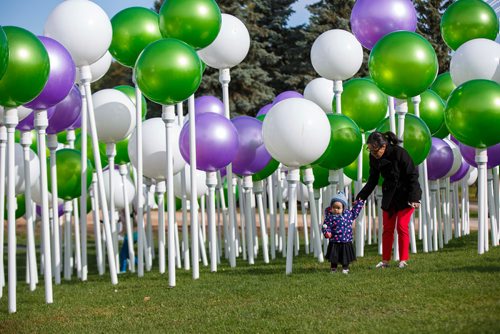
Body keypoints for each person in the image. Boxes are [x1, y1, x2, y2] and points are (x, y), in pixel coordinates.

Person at [356, 131, 421, 269]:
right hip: (389, 195)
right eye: (370, 149)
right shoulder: (374, 158)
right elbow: (372, 180)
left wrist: (414, 197)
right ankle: (385, 261)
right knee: (387, 229)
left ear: (384, 145)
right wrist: (361, 197)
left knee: (402, 226)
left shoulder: (399, 153)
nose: (373, 153)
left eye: (375, 149)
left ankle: (403, 260)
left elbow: (413, 175)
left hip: (406, 194)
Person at [322, 191, 365, 274]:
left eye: (338, 208)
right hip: (334, 241)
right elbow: (325, 226)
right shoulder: (330, 217)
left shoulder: (348, 215)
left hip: (346, 240)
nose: (336, 209)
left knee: (345, 256)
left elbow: (355, 211)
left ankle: (345, 268)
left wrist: (359, 203)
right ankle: (333, 268)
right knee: (333, 256)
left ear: (343, 208)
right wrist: (327, 232)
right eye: (334, 207)